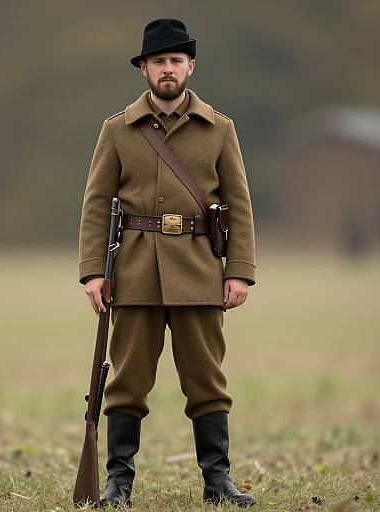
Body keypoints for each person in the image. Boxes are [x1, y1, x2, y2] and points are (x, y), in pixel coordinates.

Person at [78, 18, 257, 508]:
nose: (168, 70)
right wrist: (94, 271)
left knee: (206, 380)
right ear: (144, 69)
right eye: (159, 61)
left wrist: (239, 269)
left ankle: (218, 482)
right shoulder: (117, 130)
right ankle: (118, 482)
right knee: (127, 383)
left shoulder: (220, 129)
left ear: (191, 66)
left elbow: (238, 204)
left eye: (176, 60)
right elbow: (96, 204)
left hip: (200, 271)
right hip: (133, 273)